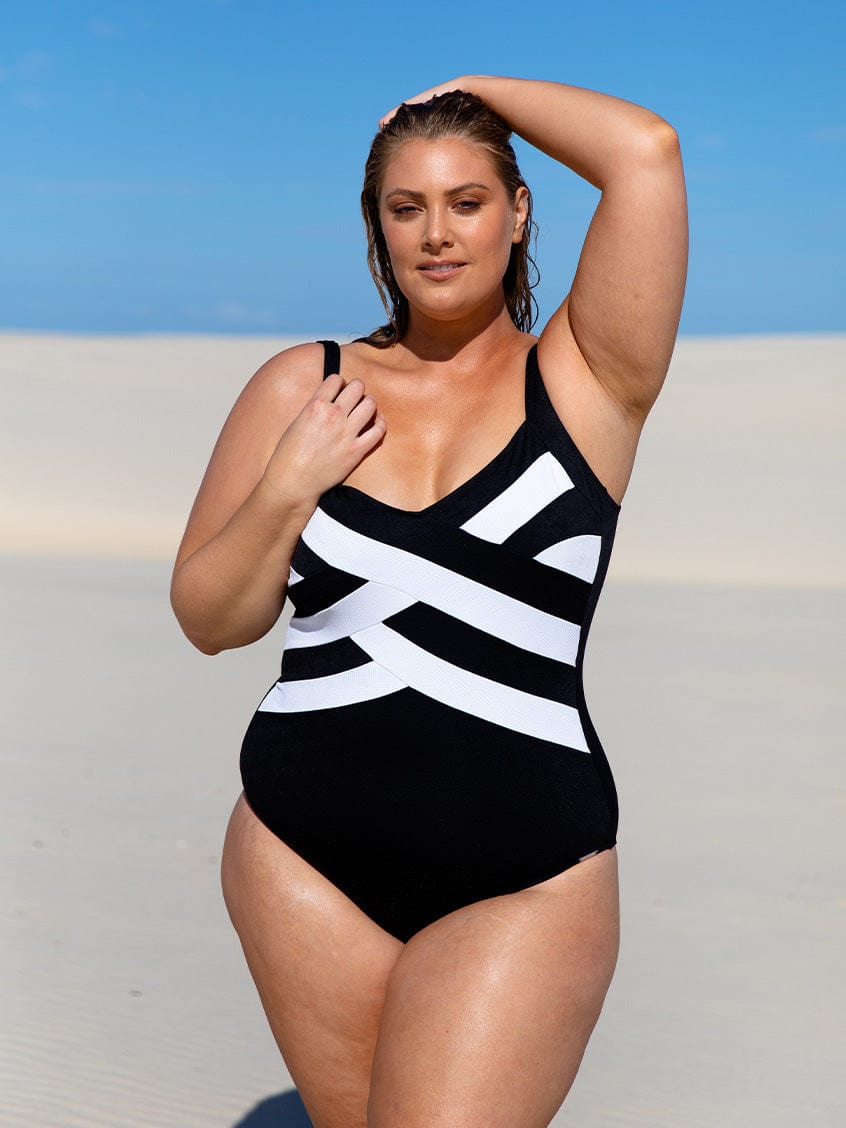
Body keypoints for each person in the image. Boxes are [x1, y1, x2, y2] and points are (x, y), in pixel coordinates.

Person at [171, 75, 687, 1128]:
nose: (437, 234)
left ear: (519, 212)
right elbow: (210, 619)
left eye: (467, 201)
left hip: (526, 876)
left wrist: (475, 91)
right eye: (406, 208)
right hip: (298, 857)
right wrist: (287, 481)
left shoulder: (587, 382)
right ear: (377, 227)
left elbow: (646, 151)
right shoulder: (302, 386)